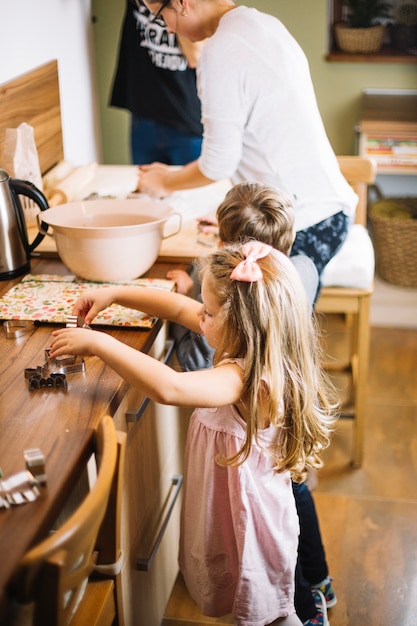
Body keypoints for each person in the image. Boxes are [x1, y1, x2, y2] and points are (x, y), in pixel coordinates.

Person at [50, 241, 338, 626]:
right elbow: (175, 306)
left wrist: (100, 343)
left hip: (249, 520)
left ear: (240, 325)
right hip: (231, 509)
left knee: (268, 613)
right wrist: (113, 293)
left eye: (208, 312)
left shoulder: (245, 380)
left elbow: (170, 388)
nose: (198, 314)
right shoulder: (248, 343)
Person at [167, 182, 336, 626]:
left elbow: (180, 377)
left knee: (273, 544)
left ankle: (304, 604)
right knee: (291, 510)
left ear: (230, 246)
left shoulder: (246, 318)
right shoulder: (284, 276)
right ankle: (317, 586)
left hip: (253, 445)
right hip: (276, 435)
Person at [137, 0, 358, 293]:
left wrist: (164, 182)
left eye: (161, 16)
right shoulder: (263, 25)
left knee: (265, 334)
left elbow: (219, 163)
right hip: (323, 208)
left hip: (300, 222)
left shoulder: (221, 50)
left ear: (182, 3)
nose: (167, 26)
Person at [110, 0, 203, 165]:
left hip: (187, 117)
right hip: (144, 114)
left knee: (192, 190)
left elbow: (194, 57)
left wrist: (177, 14)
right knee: (145, 188)